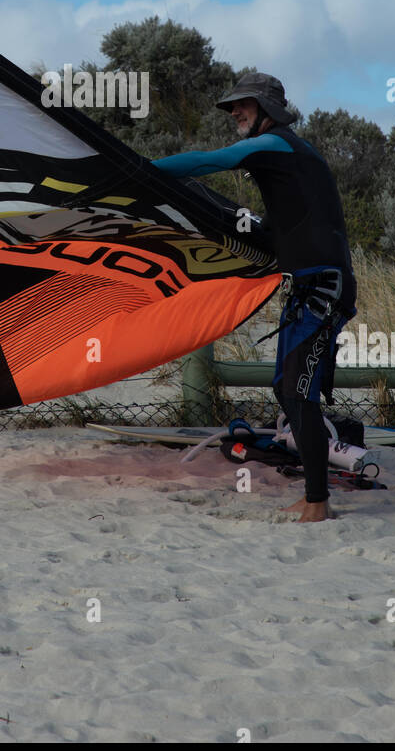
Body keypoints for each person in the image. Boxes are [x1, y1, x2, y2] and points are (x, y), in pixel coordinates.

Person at [152, 72, 357, 523]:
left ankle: (319, 503)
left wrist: (138, 172)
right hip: (306, 286)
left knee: (297, 393)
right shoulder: (281, 157)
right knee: (286, 391)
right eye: (230, 107)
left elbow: (210, 161)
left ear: (268, 108)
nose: (234, 113)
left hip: (325, 285)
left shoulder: (280, 144)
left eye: (242, 104)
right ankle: (312, 494)